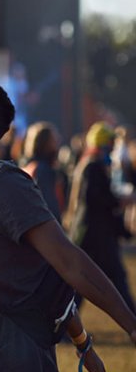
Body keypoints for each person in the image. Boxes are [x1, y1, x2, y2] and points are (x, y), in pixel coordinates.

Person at [0, 68, 133, 370]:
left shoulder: (0, 183)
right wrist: (82, 342)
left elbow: (67, 261)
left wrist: (131, 326)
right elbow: (34, 276)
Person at [67, 121, 136, 313]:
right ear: (103, 143)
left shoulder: (89, 163)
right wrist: (118, 200)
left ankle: (65, 323)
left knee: (83, 282)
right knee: (114, 279)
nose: (113, 147)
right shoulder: (93, 166)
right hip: (96, 234)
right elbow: (94, 199)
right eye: (110, 142)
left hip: (93, 233)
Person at [21, 121, 66, 222]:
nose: (58, 142)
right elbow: (49, 207)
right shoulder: (43, 170)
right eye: (54, 139)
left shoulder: (28, 167)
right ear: (45, 143)